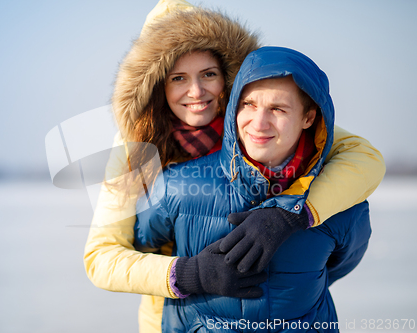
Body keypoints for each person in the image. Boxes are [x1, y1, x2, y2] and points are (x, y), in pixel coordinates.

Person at [84, 1, 385, 332]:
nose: (196, 92)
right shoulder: (133, 147)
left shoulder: (258, 120)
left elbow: (363, 159)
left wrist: (294, 215)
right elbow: (103, 257)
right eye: (178, 78)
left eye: (209, 75)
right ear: (158, 84)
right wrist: (190, 273)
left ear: (228, 76)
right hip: (177, 313)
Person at [134, 46, 372, 332]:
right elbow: (142, 241)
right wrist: (194, 274)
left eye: (278, 108)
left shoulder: (338, 198)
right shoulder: (179, 185)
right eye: (248, 104)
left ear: (308, 118)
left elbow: (341, 262)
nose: (259, 123)